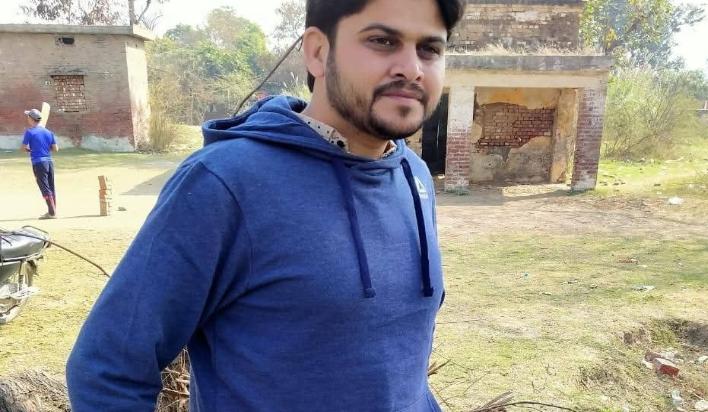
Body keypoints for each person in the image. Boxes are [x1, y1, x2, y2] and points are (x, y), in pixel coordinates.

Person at [66, 0, 465, 410]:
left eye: (429, 49)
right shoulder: (224, 183)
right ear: (318, 52)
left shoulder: (414, 177)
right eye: (382, 41)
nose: (411, 69)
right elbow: (107, 368)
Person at [21, 108, 58, 220]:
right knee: (51, 186)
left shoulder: (29, 132)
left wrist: (31, 150)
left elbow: (23, 148)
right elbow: (55, 149)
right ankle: (52, 211)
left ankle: (52, 213)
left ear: (30, 118)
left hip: (38, 163)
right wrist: (44, 149)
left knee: (44, 187)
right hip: (49, 162)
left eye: (28, 116)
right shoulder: (49, 132)